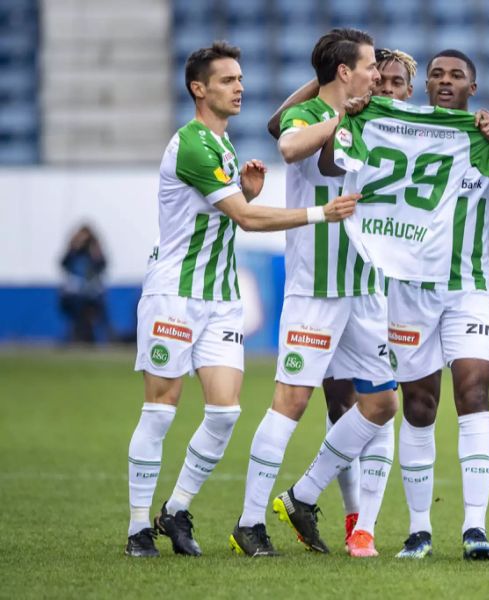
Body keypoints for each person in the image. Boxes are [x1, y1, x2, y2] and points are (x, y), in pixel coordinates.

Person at [124, 41, 358, 558]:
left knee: (225, 412)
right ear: (199, 89)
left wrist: (245, 192)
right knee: (160, 410)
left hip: (220, 298)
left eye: (241, 78)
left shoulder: (222, 146)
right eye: (228, 80)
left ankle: (177, 509)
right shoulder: (193, 145)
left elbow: (226, 210)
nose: (240, 87)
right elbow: (247, 221)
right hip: (175, 295)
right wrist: (320, 213)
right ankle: (139, 526)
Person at [322, 49, 489, 560]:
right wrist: (348, 118)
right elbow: (333, 163)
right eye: (438, 75)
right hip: (409, 291)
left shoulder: (480, 137)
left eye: (457, 75)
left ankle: (474, 528)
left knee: (474, 391)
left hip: (469, 289)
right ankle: (420, 529)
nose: (446, 81)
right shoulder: (391, 125)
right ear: (425, 87)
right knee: (420, 407)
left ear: (473, 86)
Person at [234, 28, 398, 559]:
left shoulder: (368, 115)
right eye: (370, 65)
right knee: (292, 401)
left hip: (366, 286)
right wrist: (340, 109)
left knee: (380, 403)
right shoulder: (310, 119)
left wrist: (350, 101)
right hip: (316, 289)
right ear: (344, 72)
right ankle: (249, 523)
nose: (378, 74)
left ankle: (303, 494)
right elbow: (284, 141)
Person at [59, 225, 111, 343]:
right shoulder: (74, 252)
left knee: (98, 306)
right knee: (77, 307)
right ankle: (78, 335)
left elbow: (102, 266)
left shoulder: (94, 252)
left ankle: (104, 336)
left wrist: (95, 251)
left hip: (92, 294)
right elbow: (64, 264)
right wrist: (74, 247)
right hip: (75, 294)